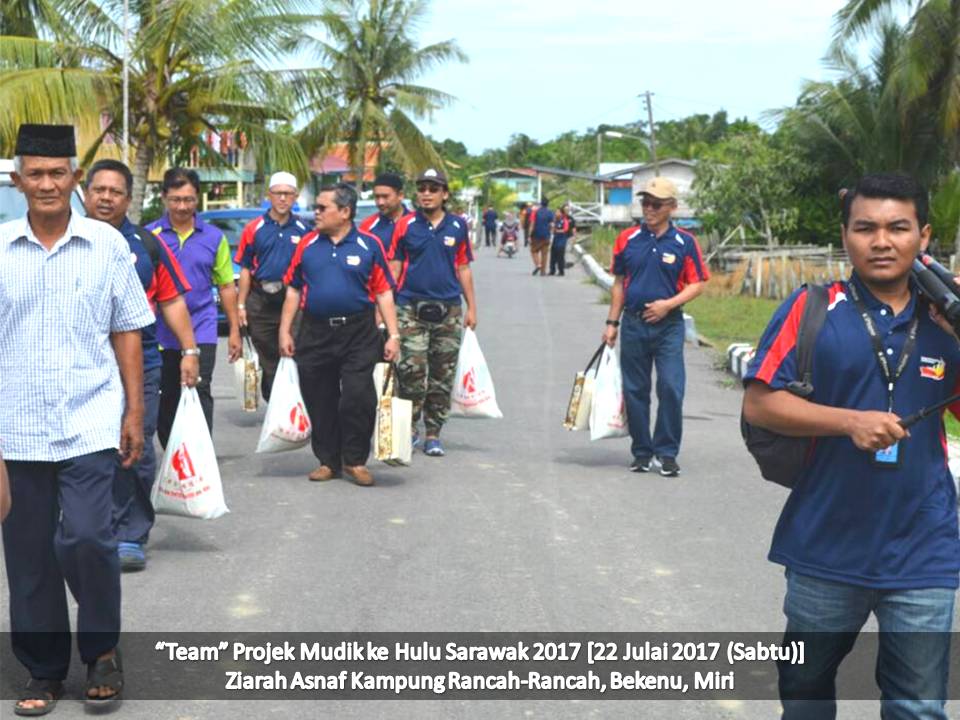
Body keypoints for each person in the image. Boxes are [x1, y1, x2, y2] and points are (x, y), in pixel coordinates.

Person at [743, 173, 960, 720]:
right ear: (846, 236)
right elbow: (760, 404)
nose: (881, 241)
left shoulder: (947, 322)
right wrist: (848, 423)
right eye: (865, 227)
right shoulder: (813, 308)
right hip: (824, 546)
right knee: (806, 695)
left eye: (897, 228)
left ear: (924, 236)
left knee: (918, 709)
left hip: (924, 549)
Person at [1, 124, 155, 713]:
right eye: (34, 174)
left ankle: (101, 651)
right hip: (15, 428)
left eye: (56, 173)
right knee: (29, 553)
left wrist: (134, 411)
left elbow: (128, 330)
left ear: (74, 179)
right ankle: (42, 670)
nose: (46, 184)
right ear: (18, 180)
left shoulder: (106, 245)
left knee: (90, 537)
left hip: (90, 418)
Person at [83, 159, 199, 572]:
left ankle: (131, 532)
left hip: (141, 364)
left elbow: (171, 300)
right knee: (85, 449)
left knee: (134, 446)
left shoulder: (147, 246)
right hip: (81, 364)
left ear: (129, 200)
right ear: (86, 193)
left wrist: (189, 350)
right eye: (99, 190)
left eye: (115, 192)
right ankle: (91, 525)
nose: (106, 198)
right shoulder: (67, 238)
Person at [279, 183, 400, 487]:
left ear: (345, 212)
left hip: (359, 332)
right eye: (316, 207)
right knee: (320, 398)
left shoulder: (369, 245)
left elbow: (384, 292)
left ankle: (355, 460)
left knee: (357, 397)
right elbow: (293, 289)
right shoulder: (306, 245)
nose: (315, 213)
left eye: (322, 208)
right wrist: (285, 330)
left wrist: (393, 334)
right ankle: (327, 460)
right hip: (315, 331)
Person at [604, 177, 708, 477]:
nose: (648, 209)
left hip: (668, 326)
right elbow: (620, 283)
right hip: (634, 324)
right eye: (645, 203)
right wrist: (612, 323)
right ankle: (641, 451)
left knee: (671, 387)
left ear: (671, 208)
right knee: (635, 390)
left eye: (656, 204)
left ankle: (667, 452)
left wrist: (668, 305)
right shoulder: (627, 239)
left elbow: (697, 283)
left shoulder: (685, 243)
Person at [147, 168, 242, 447]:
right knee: (168, 392)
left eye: (188, 200)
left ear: (197, 199)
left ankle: (200, 451)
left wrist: (235, 329)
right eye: (176, 199)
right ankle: (172, 450)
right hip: (161, 332)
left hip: (202, 326)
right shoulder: (151, 235)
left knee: (199, 387)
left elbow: (226, 286)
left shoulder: (214, 238)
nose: (182, 207)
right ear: (164, 197)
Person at [389, 168, 477, 457]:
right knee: (411, 371)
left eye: (433, 188)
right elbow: (396, 266)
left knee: (442, 374)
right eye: (422, 188)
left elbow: (463, 267)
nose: (426, 193)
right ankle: (410, 427)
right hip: (409, 309)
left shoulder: (457, 226)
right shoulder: (405, 225)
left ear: (444, 194)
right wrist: (384, 309)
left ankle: (434, 433)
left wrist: (472, 307)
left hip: (449, 309)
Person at [235, 171, 309, 401]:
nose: (283, 199)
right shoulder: (253, 228)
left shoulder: (305, 230)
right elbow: (245, 269)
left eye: (288, 194)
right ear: (269, 195)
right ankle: (275, 404)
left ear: (295, 197)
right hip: (261, 300)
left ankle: (294, 404)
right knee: (268, 358)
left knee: (292, 352)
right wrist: (241, 306)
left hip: (293, 300)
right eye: (278, 193)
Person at [359, 172, 411, 249]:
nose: (380, 202)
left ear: (400, 195)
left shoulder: (416, 223)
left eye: (385, 196)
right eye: (377, 197)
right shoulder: (367, 225)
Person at [527, 197, 554, 276]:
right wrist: (551, 235)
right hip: (546, 236)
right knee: (544, 254)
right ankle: (543, 272)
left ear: (540, 203)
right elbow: (552, 225)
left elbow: (532, 224)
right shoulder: (550, 213)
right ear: (547, 204)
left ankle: (538, 264)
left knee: (533, 251)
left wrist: (529, 235)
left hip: (536, 236)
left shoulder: (535, 212)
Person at [549, 204, 576, 276]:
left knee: (560, 255)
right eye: (556, 212)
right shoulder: (554, 220)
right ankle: (552, 270)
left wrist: (557, 231)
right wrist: (552, 228)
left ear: (561, 213)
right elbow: (552, 230)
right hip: (555, 239)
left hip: (562, 239)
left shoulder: (565, 220)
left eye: (558, 212)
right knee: (553, 255)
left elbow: (566, 229)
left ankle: (561, 271)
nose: (556, 213)